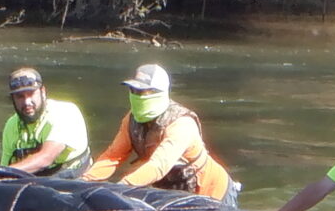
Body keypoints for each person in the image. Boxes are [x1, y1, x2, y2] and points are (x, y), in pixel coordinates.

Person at [82, 62, 231, 199]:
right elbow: (113, 156)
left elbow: (158, 165)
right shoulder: (131, 119)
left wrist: (122, 187)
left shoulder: (181, 124)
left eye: (144, 92)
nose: (137, 96)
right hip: (171, 191)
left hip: (212, 192)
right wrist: (85, 181)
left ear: (159, 93)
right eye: (133, 90)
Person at [0, 66, 90, 176]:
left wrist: (0, 172)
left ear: (43, 92)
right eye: (20, 96)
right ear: (13, 99)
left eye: (31, 93)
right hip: (35, 181)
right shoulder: (11, 125)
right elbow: (5, 166)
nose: (27, 102)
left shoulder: (65, 112)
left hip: (74, 181)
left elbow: (45, 158)